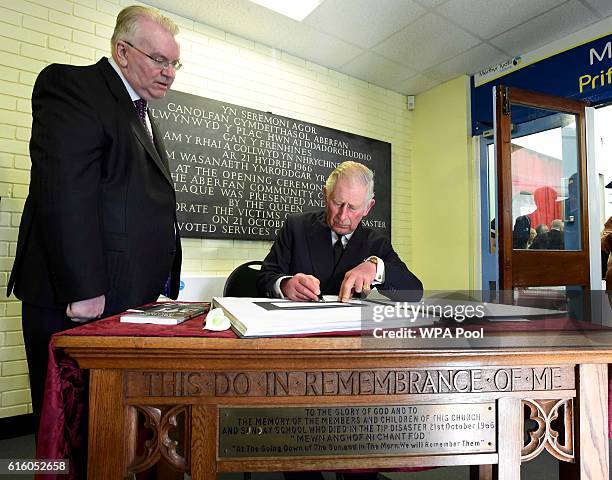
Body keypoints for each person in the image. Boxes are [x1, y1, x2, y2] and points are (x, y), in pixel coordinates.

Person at [7, 5, 182, 428]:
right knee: (67, 432)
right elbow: (64, 190)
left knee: (104, 429)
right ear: (122, 51)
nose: (169, 72)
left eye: (175, 63)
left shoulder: (141, 113)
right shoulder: (74, 86)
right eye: (158, 59)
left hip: (122, 297)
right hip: (80, 298)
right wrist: (83, 288)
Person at [257, 161, 423, 303]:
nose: (342, 216)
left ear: (368, 207)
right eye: (337, 203)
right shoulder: (296, 227)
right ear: (325, 196)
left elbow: (415, 292)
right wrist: (285, 285)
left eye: (353, 207)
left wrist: (377, 270)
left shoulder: (377, 243)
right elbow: (264, 277)